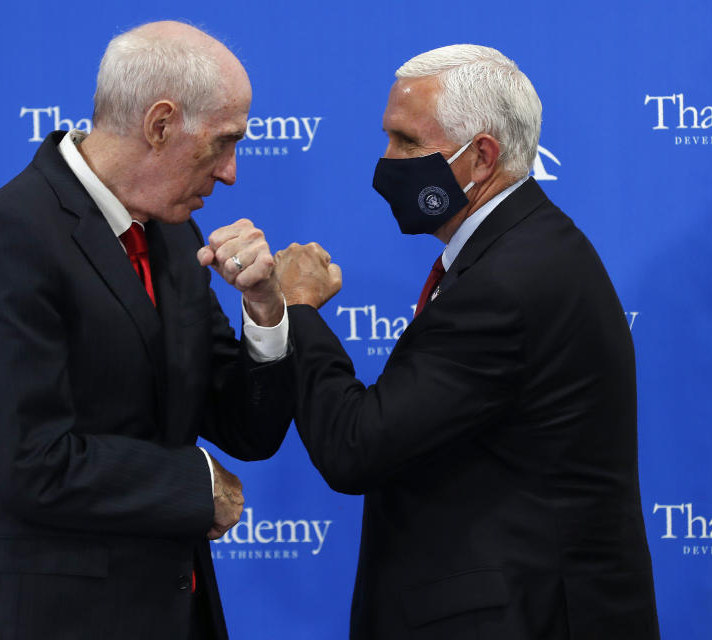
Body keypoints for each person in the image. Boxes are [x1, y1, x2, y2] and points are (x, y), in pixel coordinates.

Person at [275, 44, 660, 639]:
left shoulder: (507, 283)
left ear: (481, 157)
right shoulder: (528, 248)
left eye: (406, 142)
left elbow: (356, 445)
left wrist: (297, 308)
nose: (387, 161)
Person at [0, 21, 293, 640]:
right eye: (223, 142)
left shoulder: (176, 236)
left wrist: (264, 310)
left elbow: (247, 428)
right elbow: (30, 462)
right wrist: (196, 484)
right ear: (159, 124)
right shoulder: (9, 234)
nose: (230, 172)